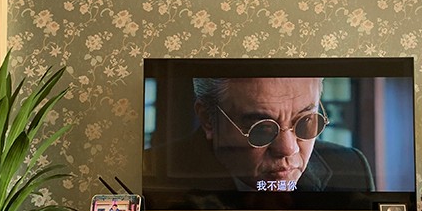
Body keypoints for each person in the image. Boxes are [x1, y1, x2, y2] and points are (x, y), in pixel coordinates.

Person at [144, 77, 375, 196]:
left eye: (305, 121)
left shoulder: (350, 168)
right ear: (208, 119)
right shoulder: (152, 174)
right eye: (262, 129)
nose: (288, 149)